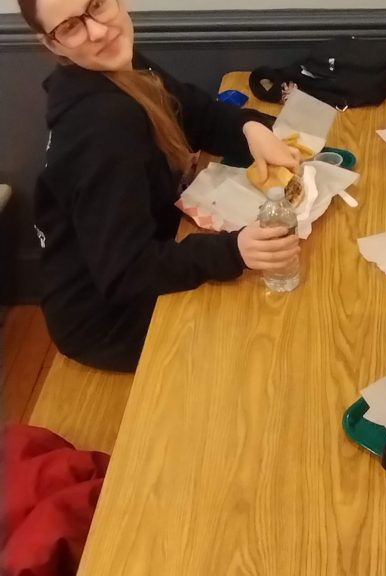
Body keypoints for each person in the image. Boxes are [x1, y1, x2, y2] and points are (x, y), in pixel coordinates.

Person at [19, 0, 301, 372]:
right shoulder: (103, 125)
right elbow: (126, 271)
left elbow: (194, 112)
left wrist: (249, 129)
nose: (98, 31)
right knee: (272, 344)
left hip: (144, 259)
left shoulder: (117, 68)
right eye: (70, 27)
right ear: (53, 43)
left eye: (97, 5)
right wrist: (233, 251)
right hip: (108, 318)